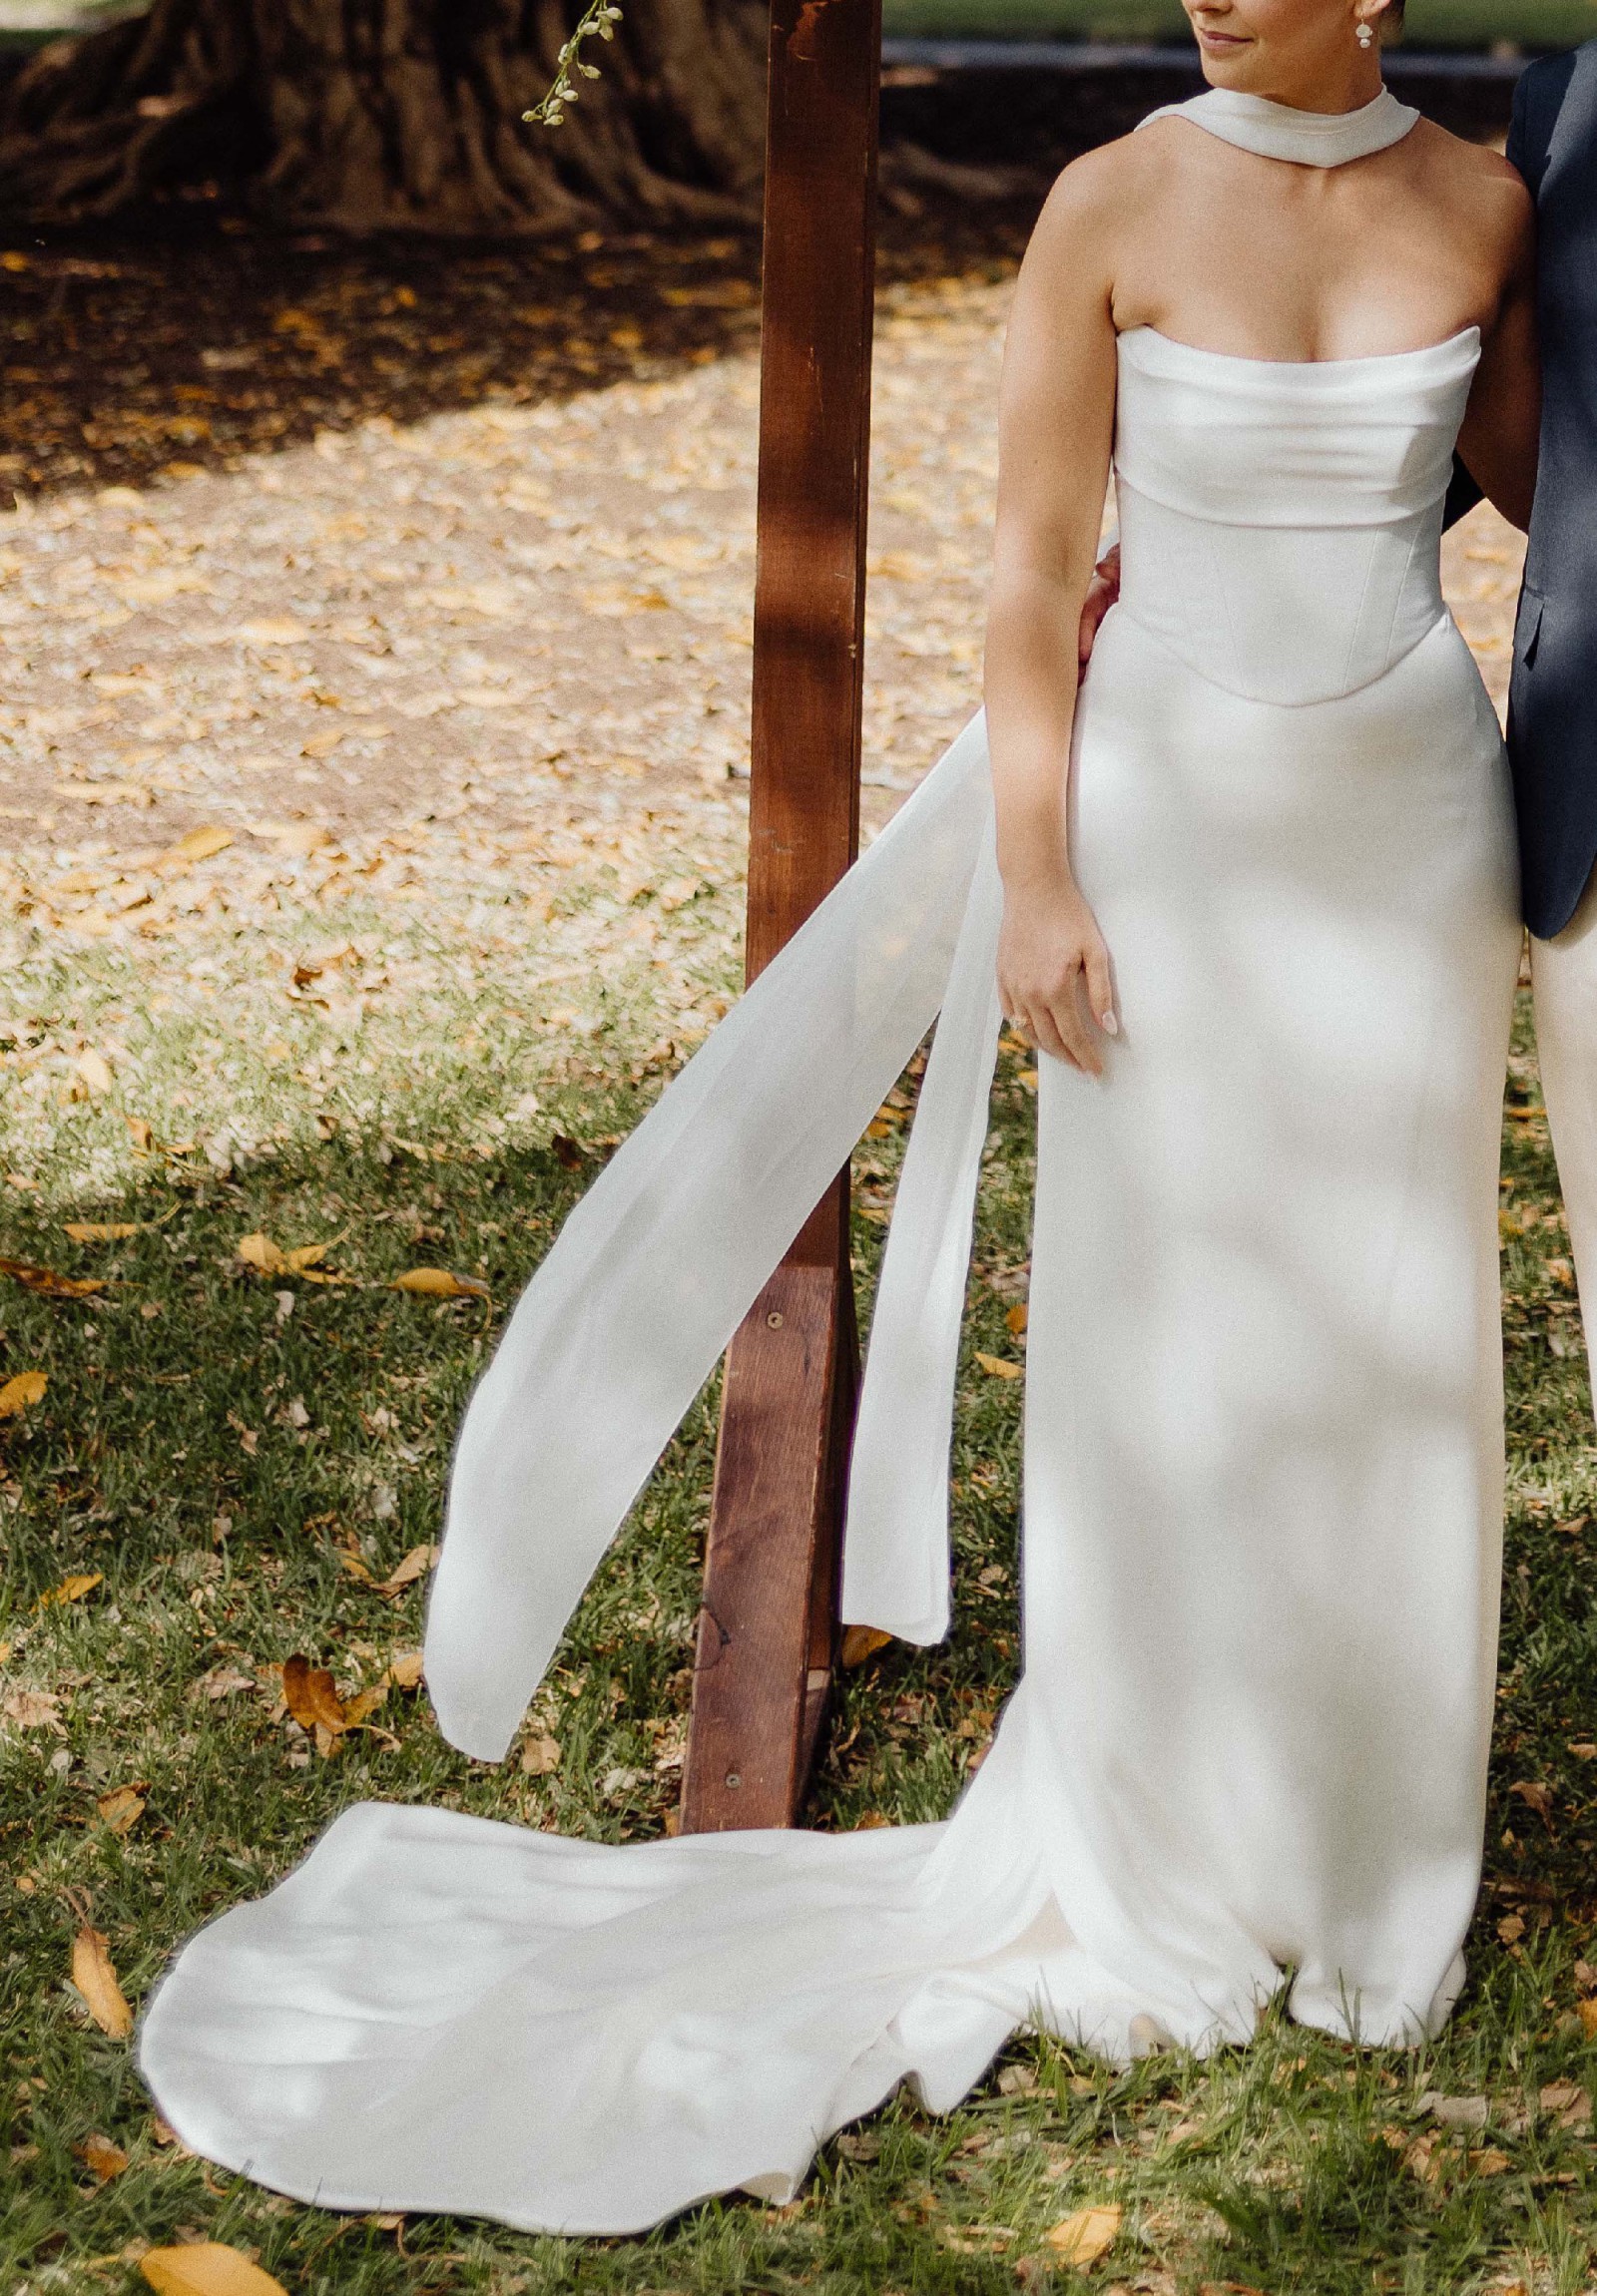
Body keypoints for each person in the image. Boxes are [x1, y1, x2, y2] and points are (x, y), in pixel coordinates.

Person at [137, 0, 1540, 2238]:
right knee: (1159, 1324)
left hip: (1399, 831)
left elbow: (1553, 499)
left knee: (1383, 1315)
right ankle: (1161, 1839)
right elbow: (1026, 570)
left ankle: (1376, 1854)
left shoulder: (1482, 207)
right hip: (1160, 823)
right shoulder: (1104, 202)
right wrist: (1039, 873)